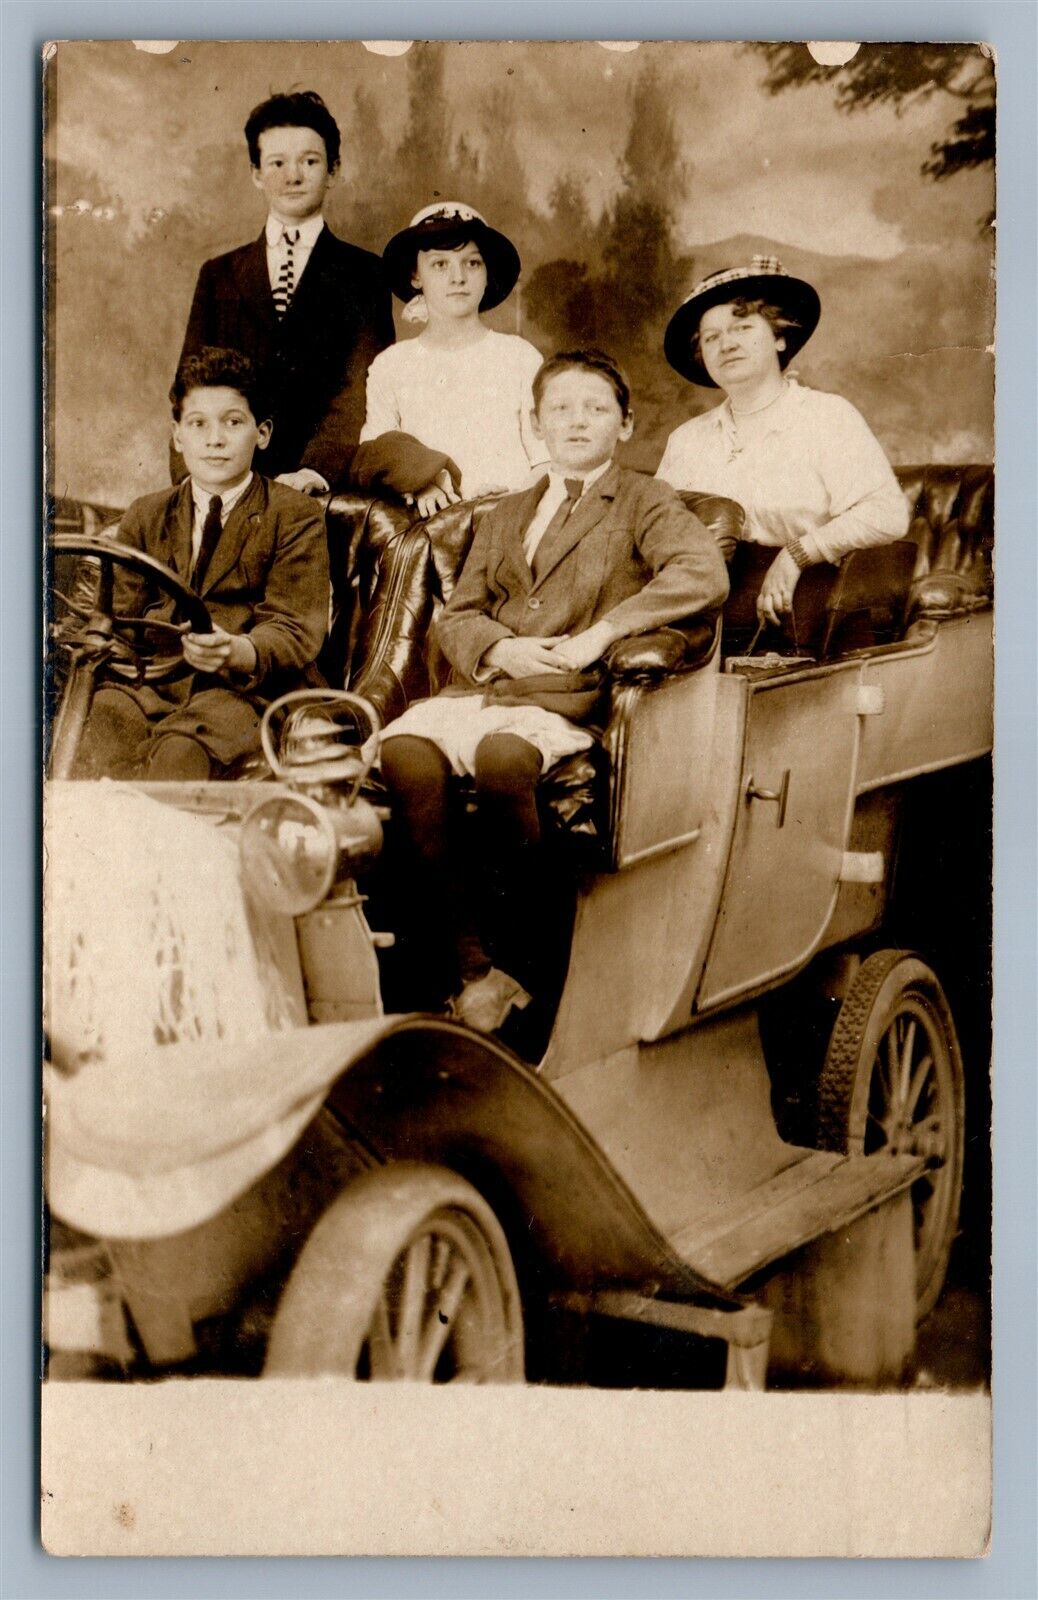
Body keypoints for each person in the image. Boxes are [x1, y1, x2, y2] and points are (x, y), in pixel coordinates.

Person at [378, 349, 729, 1042]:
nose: (577, 421)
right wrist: (499, 648)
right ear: (535, 423)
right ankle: (475, 972)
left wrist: (602, 633)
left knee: (507, 758)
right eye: (560, 409)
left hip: (565, 695)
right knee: (407, 755)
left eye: (596, 408)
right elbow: (461, 611)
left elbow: (702, 573)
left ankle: (528, 968)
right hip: (492, 683)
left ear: (624, 425)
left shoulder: (645, 500)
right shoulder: (509, 510)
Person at [75, 347, 329, 781]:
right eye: (198, 424)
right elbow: (118, 619)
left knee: (179, 754)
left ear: (262, 433)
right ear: (178, 436)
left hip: (246, 693)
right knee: (92, 729)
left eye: (233, 422)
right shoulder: (147, 513)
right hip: (152, 684)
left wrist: (236, 650)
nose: (215, 439)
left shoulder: (294, 515)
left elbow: (294, 629)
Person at [656, 257, 909, 626]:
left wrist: (796, 554)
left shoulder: (826, 416)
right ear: (702, 356)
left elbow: (887, 515)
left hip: (808, 611)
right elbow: (658, 533)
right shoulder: (686, 439)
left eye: (742, 328)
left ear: (778, 337)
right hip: (700, 618)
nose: (727, 344)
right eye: (711, 337)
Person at [176, 90, 394, 495]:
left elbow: (361, 389)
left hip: (321, 489)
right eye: (277, 163)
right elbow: (191, 387)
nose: (292, 176)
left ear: (333, 170)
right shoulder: (219, 275)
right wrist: (201, 477)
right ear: (256, 173)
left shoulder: (364, 274)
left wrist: (315, 472)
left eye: (309, 161)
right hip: (224, 481)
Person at [356, 202, 547, 515]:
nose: (458, 277)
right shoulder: (393, 365)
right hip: (426, 533)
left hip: (511, 523)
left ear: (487, 274)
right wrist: (420, 478)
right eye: (440, 265)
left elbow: (546, 460)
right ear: (415, 276)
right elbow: (373, 453)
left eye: (472, 263)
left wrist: (507, 504)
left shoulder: (519, 357)